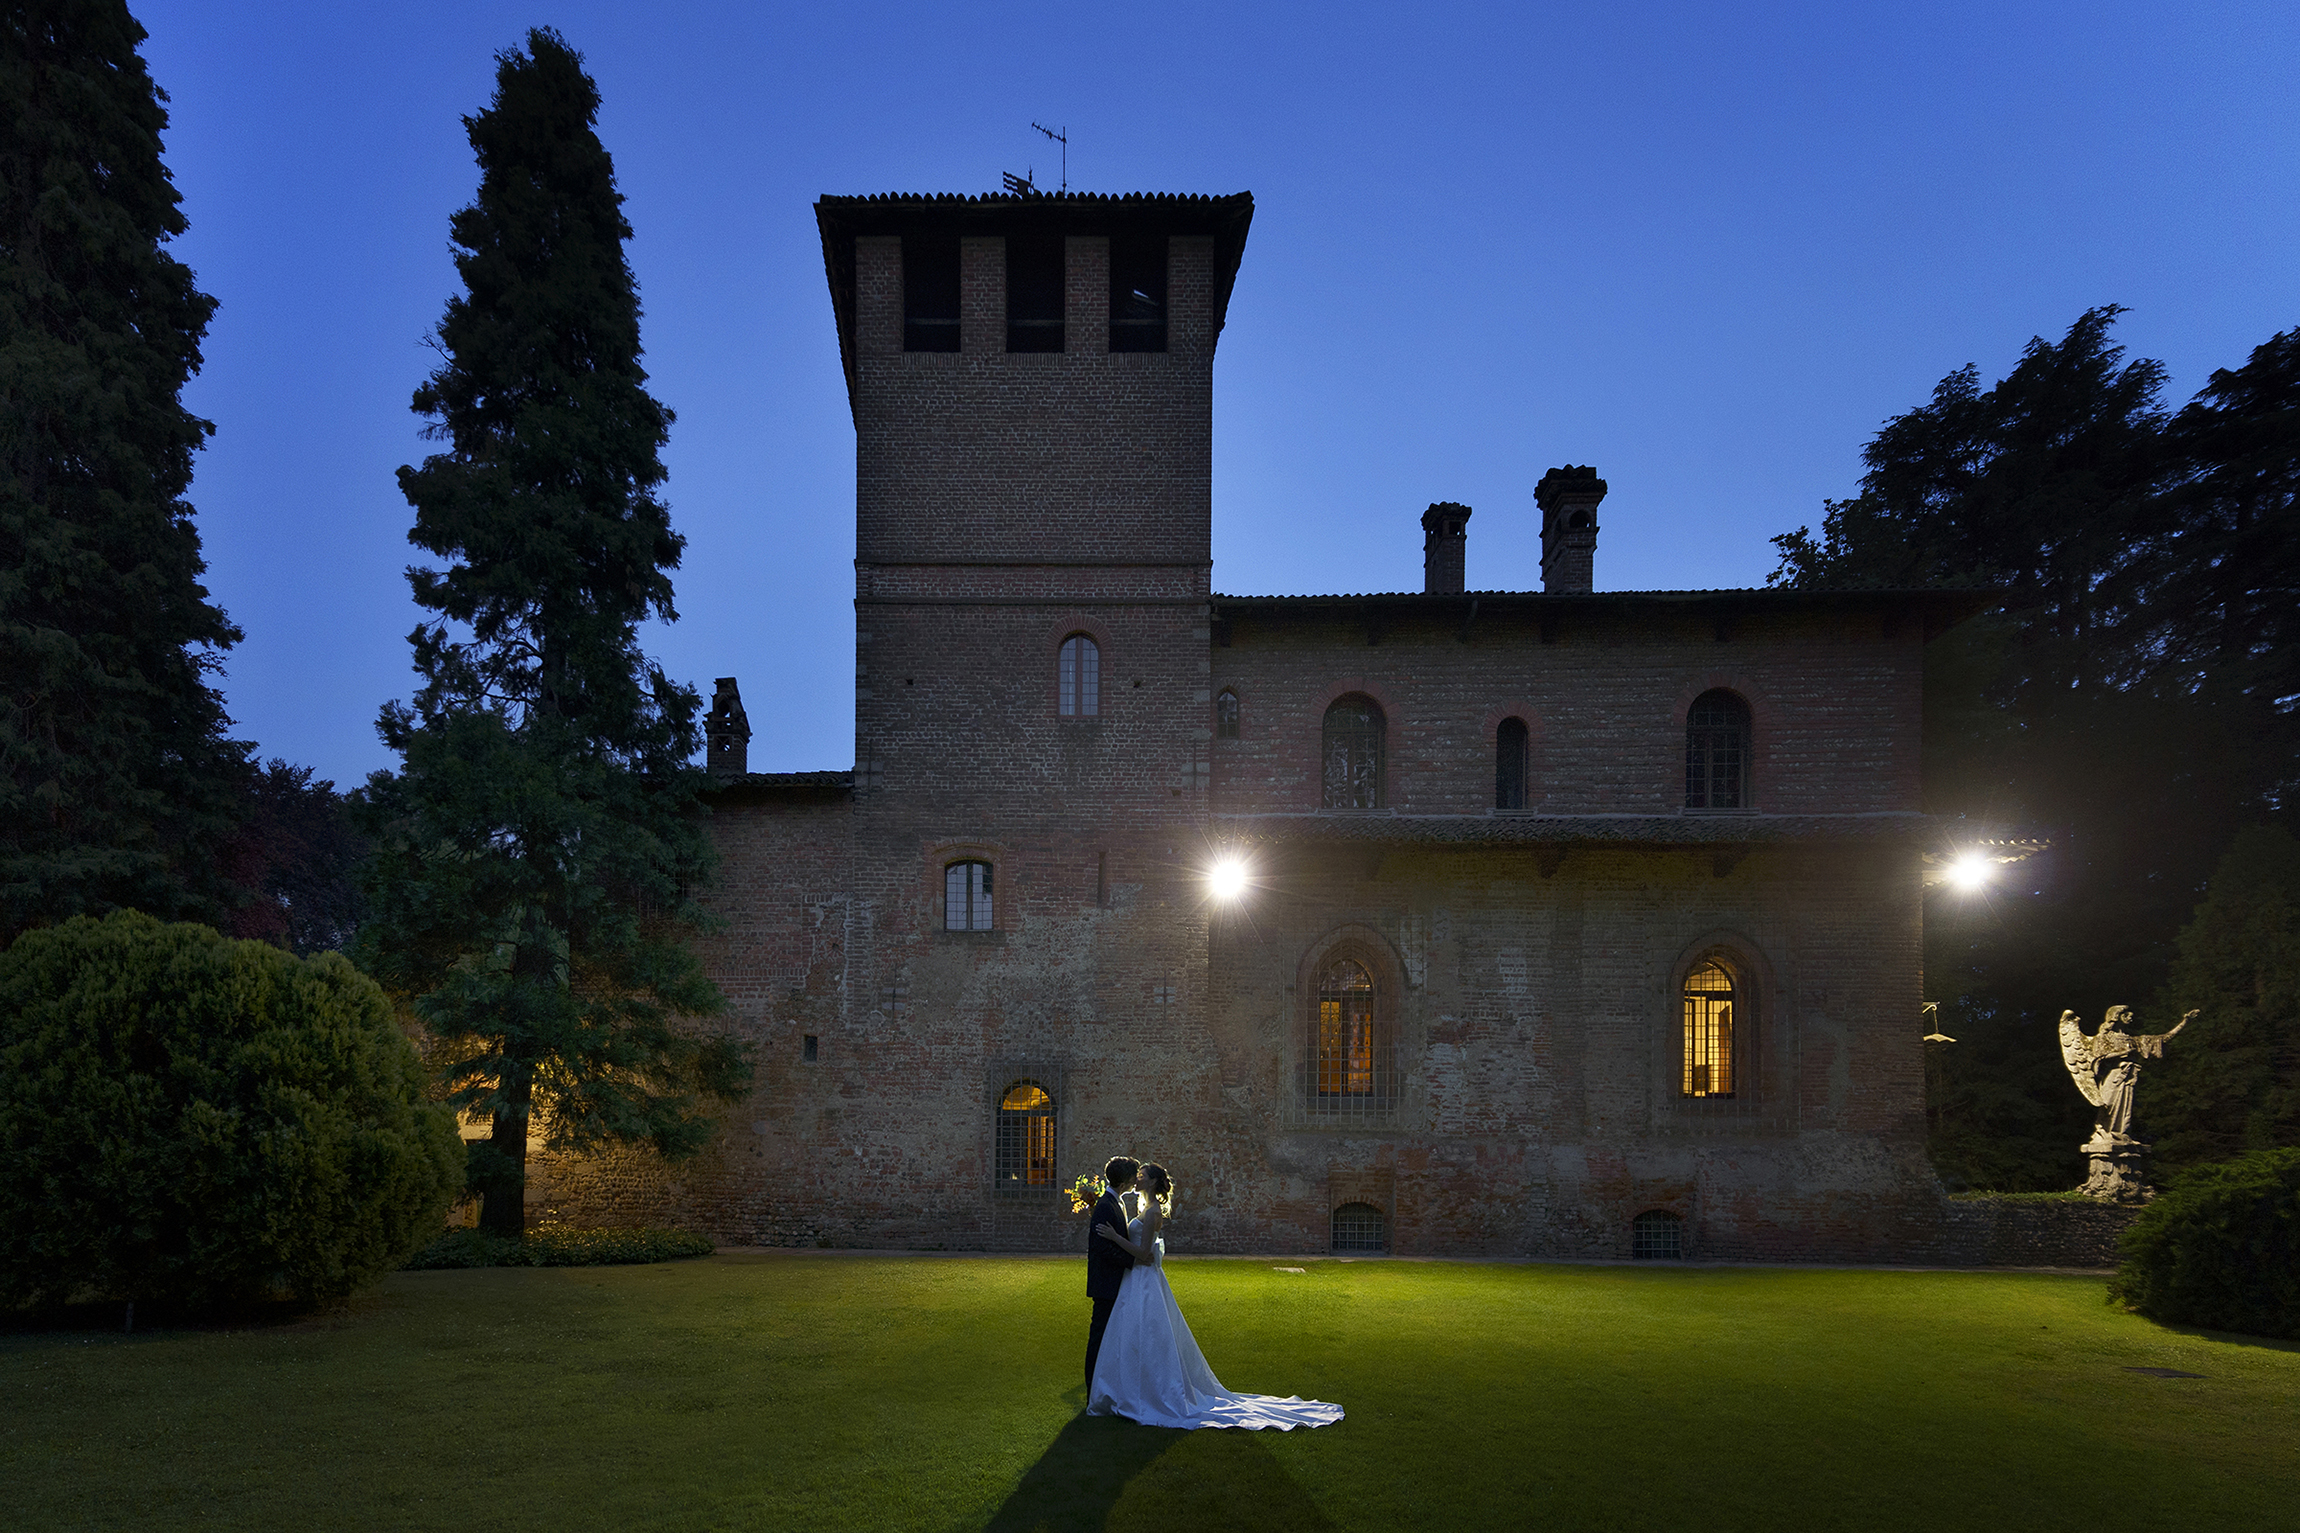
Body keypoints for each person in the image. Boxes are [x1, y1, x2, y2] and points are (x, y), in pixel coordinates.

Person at [1089, 1163, 1343, 1430]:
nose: (1137, 1179)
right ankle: (1129, 1389)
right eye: (1136, 1175)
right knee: (1131, 1336)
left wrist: (1115, 1237)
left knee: (1148, 1336)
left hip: (1144, 1282)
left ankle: (1148, 1393)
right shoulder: (1142, 1208)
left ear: (1152, 1183)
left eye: (1142, 1176)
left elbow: (1144, 1254)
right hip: (1135, 1281)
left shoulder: (1152, 1213)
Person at [1084, 1156, 1139, 1393]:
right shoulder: (1106, 1205)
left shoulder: (1115, 1202)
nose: (1136, 1181)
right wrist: (1132, 1260)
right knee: (1099, 1336)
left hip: (1112, 1281)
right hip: (1105, 1282)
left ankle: (1105, 1384)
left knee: (1110, 1335)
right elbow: (1101, 1247)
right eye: (1133, 1177)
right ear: (1125, 1181)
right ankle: (1092, 1389)